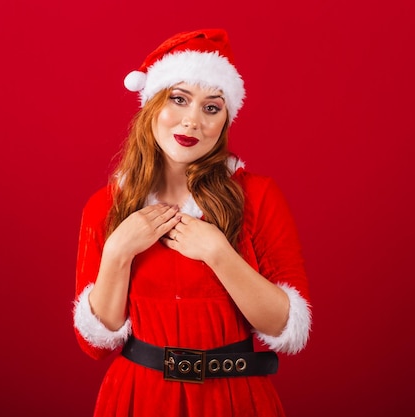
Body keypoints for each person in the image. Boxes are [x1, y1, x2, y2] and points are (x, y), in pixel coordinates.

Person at [72, 28, 312, 417]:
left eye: (211, 107)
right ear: (152, 105)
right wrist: (117, 252)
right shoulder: (105, 206)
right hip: (139, 399)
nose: (192, 122)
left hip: (237, 401)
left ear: (224, 120)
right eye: (179, 99)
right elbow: (96, 344)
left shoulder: (259, 196)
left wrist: (219, 253)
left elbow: (287, 328)